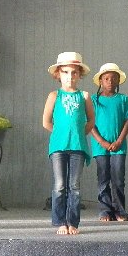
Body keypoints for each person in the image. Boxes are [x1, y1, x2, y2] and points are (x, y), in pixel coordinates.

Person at [42, 51, 95, 235]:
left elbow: (91, 120)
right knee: (60, 185)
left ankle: (73, 222)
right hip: (58, 147)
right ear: (58, 74)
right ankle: (60, 222)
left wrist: (78, 134)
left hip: (78, 146)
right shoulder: (54, 95)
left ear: (80, 75)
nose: (70, 76)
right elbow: (46, 122)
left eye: (74, 72)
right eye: (65, 72)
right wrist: (61, 134)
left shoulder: (84, 96)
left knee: (74, 186)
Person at [90, 62, 128, 222]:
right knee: (103, 179)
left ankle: (119, 211)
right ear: (100, 81)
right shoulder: (93, 100)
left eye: (113, 78)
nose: (110, 81)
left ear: (118, 81)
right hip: (100, 146)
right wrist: (101, 141)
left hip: (119, 146)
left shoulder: (123, 99)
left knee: (118, 179)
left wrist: (119, 140)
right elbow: (90, 123)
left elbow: (127, 121)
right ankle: (105, 211)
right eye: (106, 78)